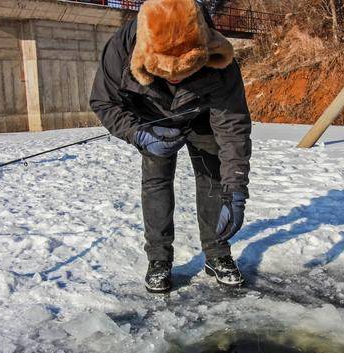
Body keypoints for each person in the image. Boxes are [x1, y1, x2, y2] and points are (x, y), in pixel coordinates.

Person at [90, 0, 252, 293]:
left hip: (201, 115)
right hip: (150, 120)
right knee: (156, 182)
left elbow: (233, 128)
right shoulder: (120, 49)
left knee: (212, 177)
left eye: (185, 70)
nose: (175, 78)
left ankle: (217, 253)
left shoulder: (219, 57)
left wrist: (236, 189)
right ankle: (158, 259)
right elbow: (103, 101)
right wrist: (138, 133)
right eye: (166, 72)